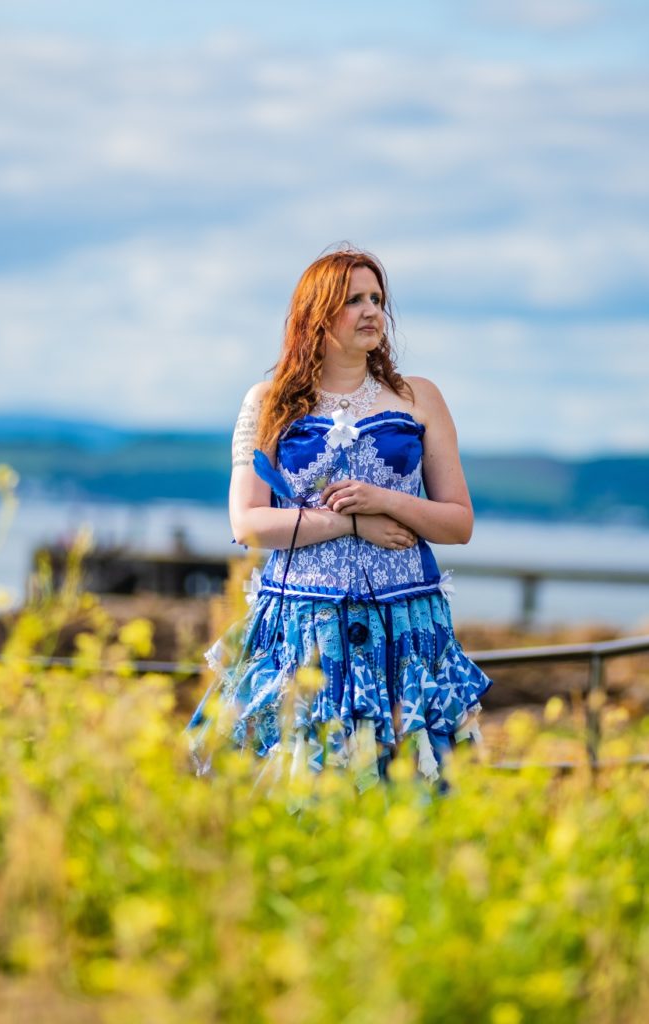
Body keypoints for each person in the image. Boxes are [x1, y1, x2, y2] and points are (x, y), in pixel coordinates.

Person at [187, 247, 491, 788]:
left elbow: (458, 523)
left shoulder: (420, 398)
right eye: (354, 300)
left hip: (404, 630)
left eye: (377, 299)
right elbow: (247, 523)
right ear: (316, 315)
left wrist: (386, 500)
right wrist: (350, 524)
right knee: (294, 782)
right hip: (302, 627)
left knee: (407, 785)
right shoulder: (267, 402)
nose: (372, 311)